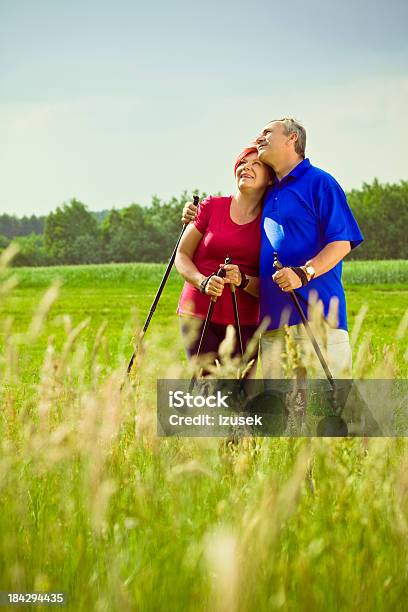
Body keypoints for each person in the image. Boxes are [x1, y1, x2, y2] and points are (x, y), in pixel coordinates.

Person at [183, 118, 364, 380]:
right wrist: (193, 212)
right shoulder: (269, 191)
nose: (259, 138)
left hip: (318, 319)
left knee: (328, 408)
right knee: (280, 414)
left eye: (267, 133)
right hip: (272, 325)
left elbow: (342, 242)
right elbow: (234, 211)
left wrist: (304, 273)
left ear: (292, 139)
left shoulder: (320, 182)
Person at [175, 147, 272, 370]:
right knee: (207, 392)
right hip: (198, 314)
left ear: (269, 178)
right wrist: (203, 282)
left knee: (240, 395)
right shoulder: (211, 206)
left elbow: (269, 283)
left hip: (246, 321)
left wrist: (242, 280)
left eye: (256, 164)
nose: (246, 167)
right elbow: (182, 255)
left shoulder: (272, 222)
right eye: (242, 163)